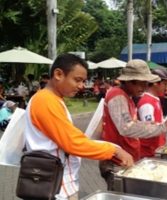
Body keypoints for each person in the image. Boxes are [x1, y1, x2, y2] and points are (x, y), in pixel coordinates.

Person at [24, 54, 133, 200]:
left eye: (83, 81)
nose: (82, 86)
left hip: (59, 183)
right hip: (55, 188)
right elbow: (72, 143)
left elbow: (72, 137)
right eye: (77, 80)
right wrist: (114, 151)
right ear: (58, 74)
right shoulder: (45, 100)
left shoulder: (54, 99)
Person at [99, 59, 167, 190]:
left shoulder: (127, 96)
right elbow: (127, 128)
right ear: (129, 81)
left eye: (146, 83)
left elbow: (130, 122)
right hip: (116, 162)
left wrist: (147, 124)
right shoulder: (118, 95)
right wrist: (162, 127)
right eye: (141, 84)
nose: (144, 87)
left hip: (125, 160)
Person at [137, 68, 167, 158]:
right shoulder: (147, 103)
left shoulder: (155, 99)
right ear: (155, 83)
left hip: (156, 147)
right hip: (148, 151)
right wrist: (166, 126)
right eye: (165, 84)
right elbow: (149, 128)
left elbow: (160, 121)